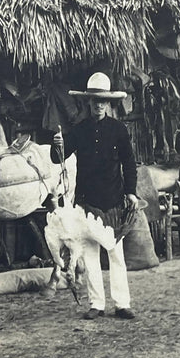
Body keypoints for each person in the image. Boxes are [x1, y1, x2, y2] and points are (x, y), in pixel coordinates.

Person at [50, 72, 138, 320]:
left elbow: (129, 163)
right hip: (86, 202)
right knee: (89, 255)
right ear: (88, 102)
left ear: (108, 103)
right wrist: (57, 143)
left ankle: (122, 303)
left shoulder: (119, 130)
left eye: (103, 101)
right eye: (94, 101)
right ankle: (96, 304)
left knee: (115, 254)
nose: (98, 105)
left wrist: (130, 192)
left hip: (113, 201)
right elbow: (58, 158)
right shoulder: (80, 130)